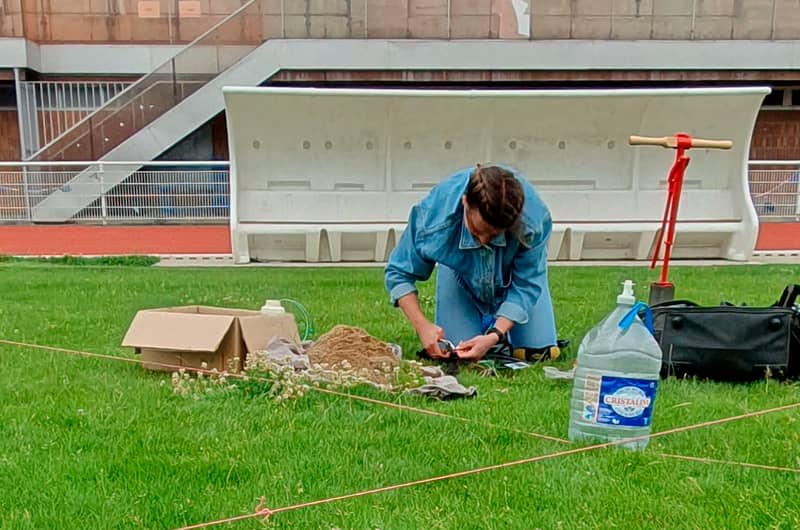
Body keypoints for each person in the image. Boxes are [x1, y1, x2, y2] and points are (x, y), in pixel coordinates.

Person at [384, 163, 558, 361]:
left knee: (537, 354)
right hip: (459, 272)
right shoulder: (432, 218)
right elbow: (398, 273)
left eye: (493, 235)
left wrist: (495, 335)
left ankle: (497, 324)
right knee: (458, 353)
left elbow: (527, 282)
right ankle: (480, 319)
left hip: (510, 275)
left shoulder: (534, 220)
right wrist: (422, 326)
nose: (483, 241)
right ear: (465, 202)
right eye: (476, 231)